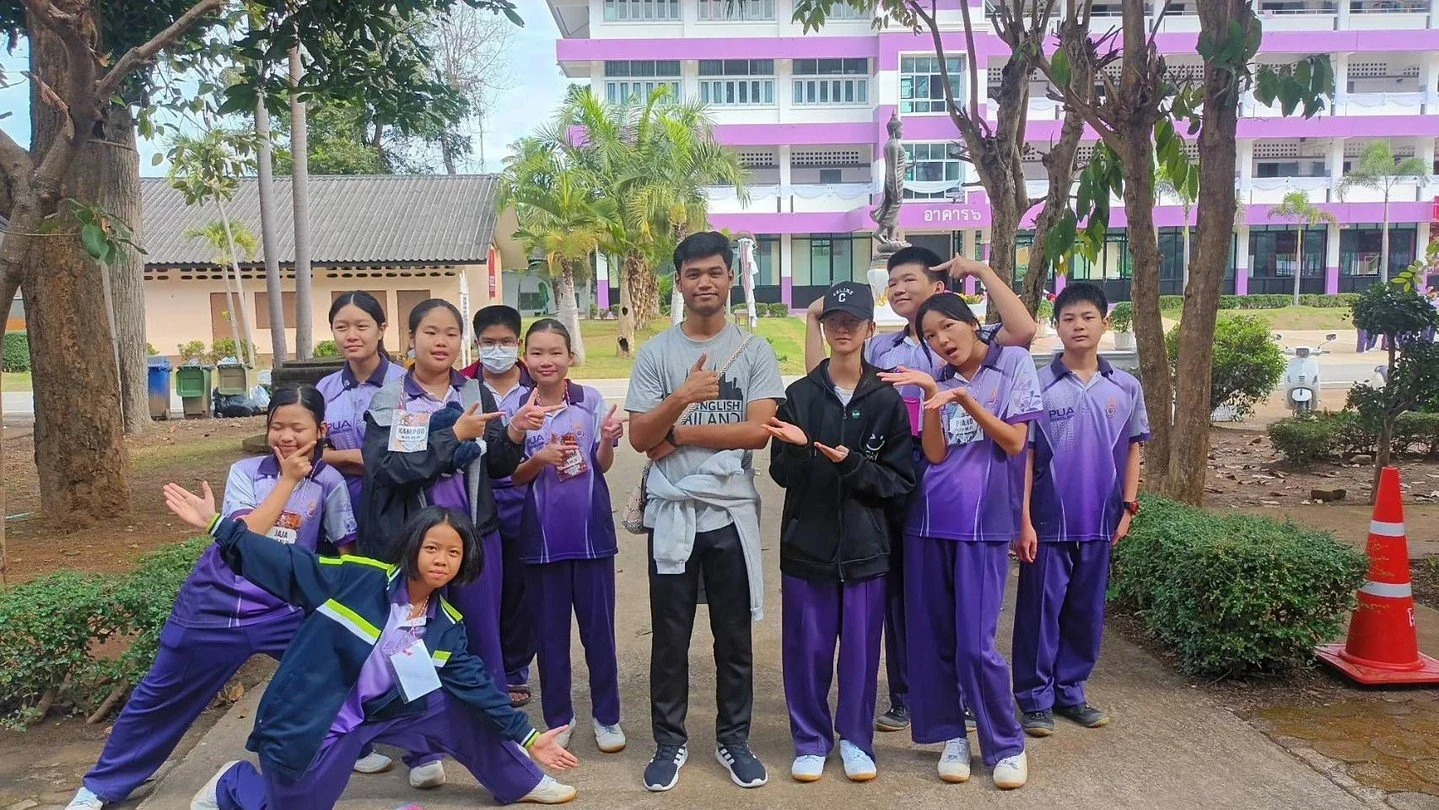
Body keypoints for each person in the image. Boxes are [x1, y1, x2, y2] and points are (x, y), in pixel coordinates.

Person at [156, 494, 580, 808]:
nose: (441, 559)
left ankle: (519, 780)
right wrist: (217, 525)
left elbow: (474, 683)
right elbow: (286, 564)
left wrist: (530, 736)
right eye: (432, 547)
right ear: (412, 546)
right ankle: (233, 782)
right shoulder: (357, 579)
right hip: (315, 719)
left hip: (384, 709)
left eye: (454, 552)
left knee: (455, 704)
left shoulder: (446, 625)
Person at [65, 386, 357, 810]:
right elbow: (246, 538)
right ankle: (101, 786)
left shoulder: (329, 483)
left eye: (298, 427)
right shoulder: (245, 473)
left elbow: (345, 551)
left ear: (321, 430)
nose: (286, 437)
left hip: (282, 613)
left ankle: (356, 749)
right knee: (158, 699)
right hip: (214, 607)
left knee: (344, 671)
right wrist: (289, 480)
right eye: (277, 426)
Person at [806, 246, 1036, 734]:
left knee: (969, 619)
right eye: (893, 284)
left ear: (941, 289)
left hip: (957, 469)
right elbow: (826, 373)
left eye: (910, 279)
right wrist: (814, 320)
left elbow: (1023, 332)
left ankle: (974, 707)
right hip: (899, 462)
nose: (900, 289)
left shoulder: (976, 350)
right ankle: (911, 696)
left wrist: (978, 269)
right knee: (905, 593)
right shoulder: (887, 348)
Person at [625, 231, 786, 792]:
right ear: (680, 282)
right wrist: (682, 395)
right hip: (674, 515)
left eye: (715, 272)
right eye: (693, 274)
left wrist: (679, 428)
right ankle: (669, 742)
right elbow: (640, 437)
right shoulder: (656, 353)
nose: (705, 283)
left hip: (729, 515)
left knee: (733, 635)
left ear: (730, 278)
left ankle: (733, 739)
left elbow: (758, 431)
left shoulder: (756, 350)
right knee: (670, 636)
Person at [765, 281, 915, 784]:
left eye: (854, 321)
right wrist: (802, 448)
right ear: (824, 329)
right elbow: (781, 472)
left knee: (860, 651)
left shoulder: (886, 400)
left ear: (871, 329)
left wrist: (852, 464)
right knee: (806, 649)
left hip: (866, 548)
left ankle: (855, 739)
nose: (844, 328)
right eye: (835, 321)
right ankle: (810, 740)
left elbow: (898, 482)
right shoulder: (800, 395)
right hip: (807, 546)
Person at [897, 292, 1043, 790]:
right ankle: (951, 737)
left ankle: (1005, 744)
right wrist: (931, 397)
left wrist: (965, 399)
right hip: (928, 521)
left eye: (947, 328)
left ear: (971, 322)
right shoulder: (934, 378)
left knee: (977, 645)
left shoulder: (1013, 365)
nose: (941, 341)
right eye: (930, 336)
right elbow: (934, 456)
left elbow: (1016, 442)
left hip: (983, 527)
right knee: (933, 638)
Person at [1012, 282, 1148, 739]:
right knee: (1040, 613)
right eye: (1068, 319)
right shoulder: (1038, 384)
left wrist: (1128, 507)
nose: (1078, 326)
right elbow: (1024, 455)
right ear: (1057, 325)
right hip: (1048, 521)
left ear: (1105, 323)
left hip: (1101, 520)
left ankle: (1071, 692)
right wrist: (1024, 518)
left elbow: (1133, 449)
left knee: (1085, 613)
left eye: (1088, 317)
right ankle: (1033, 699)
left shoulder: (1125, 386)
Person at [510, 318, 627, 754]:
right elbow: (515, 477)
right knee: (550, 637)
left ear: (570, 356)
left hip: (591, 537)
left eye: (555, 352)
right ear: (526, 357)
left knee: (599, 633)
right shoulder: (519, 409)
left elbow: (602, 464)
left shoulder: (590, 401)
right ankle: (559, 719)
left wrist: (610, 440)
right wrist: (539, 456)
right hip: (541, 542)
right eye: (537, 352)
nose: (546, 360)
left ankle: (607, 717)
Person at [461, 305, 538, 708]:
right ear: (475, 344)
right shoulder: (464, 387)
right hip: (478, 500)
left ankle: (513, 671)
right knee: (481, 590)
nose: (497, 350)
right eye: (489, 343)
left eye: (506, 342)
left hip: (528, 498)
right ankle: (480, 668)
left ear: (518, 343)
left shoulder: (538, 382)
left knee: (521, 591)